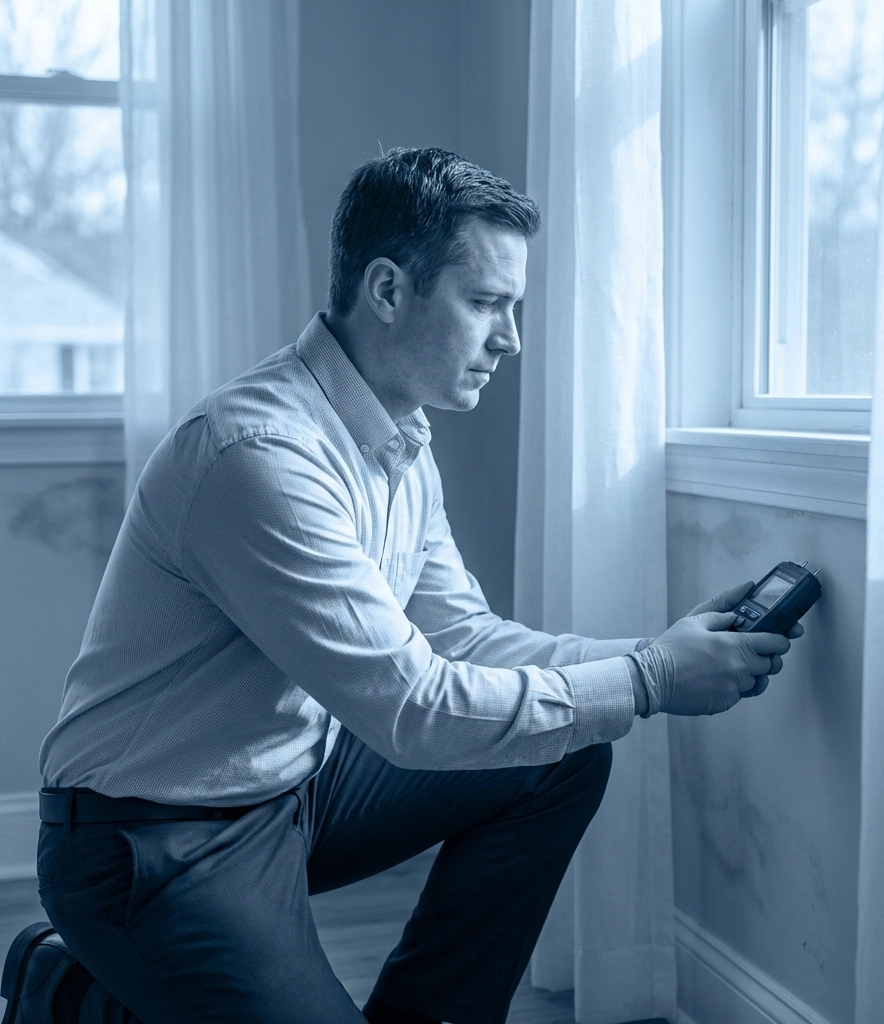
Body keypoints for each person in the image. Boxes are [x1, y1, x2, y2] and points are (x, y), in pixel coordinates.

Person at [1, 148, 798, 1024]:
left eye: (514, 307)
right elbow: (414, 709)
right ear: (387, 290)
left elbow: (465, 638)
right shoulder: (257, 455)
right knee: (552, 720)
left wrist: (654, 652)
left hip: (290, 790)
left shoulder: (399, 441)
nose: (511, 338)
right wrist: (650, 681)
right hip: (149, 837)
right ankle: (64, 984)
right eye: (487, 303)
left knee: (562, 754)